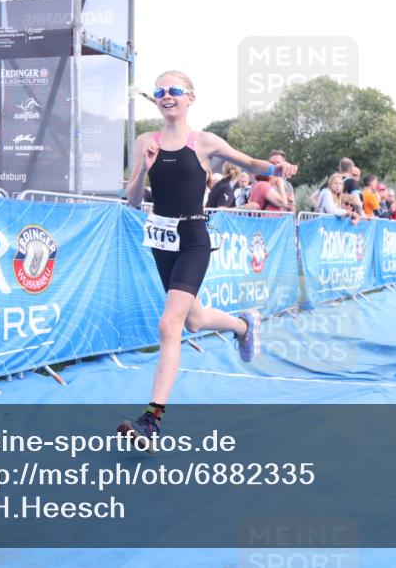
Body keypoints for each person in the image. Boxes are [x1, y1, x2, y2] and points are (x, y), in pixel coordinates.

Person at [121, 70, 297, 449]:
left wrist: (276, 169)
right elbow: (134, 200)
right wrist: (144, 169)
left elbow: (248, 162)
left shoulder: (204, 142)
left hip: (193, 240)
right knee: (195, 320)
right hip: (160, 239)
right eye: (160, 91)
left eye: (175, 91)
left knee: (170, 325)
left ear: (190, 98)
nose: (167, 96)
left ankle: (152, 420)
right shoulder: (144, 142)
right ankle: (243, 325)